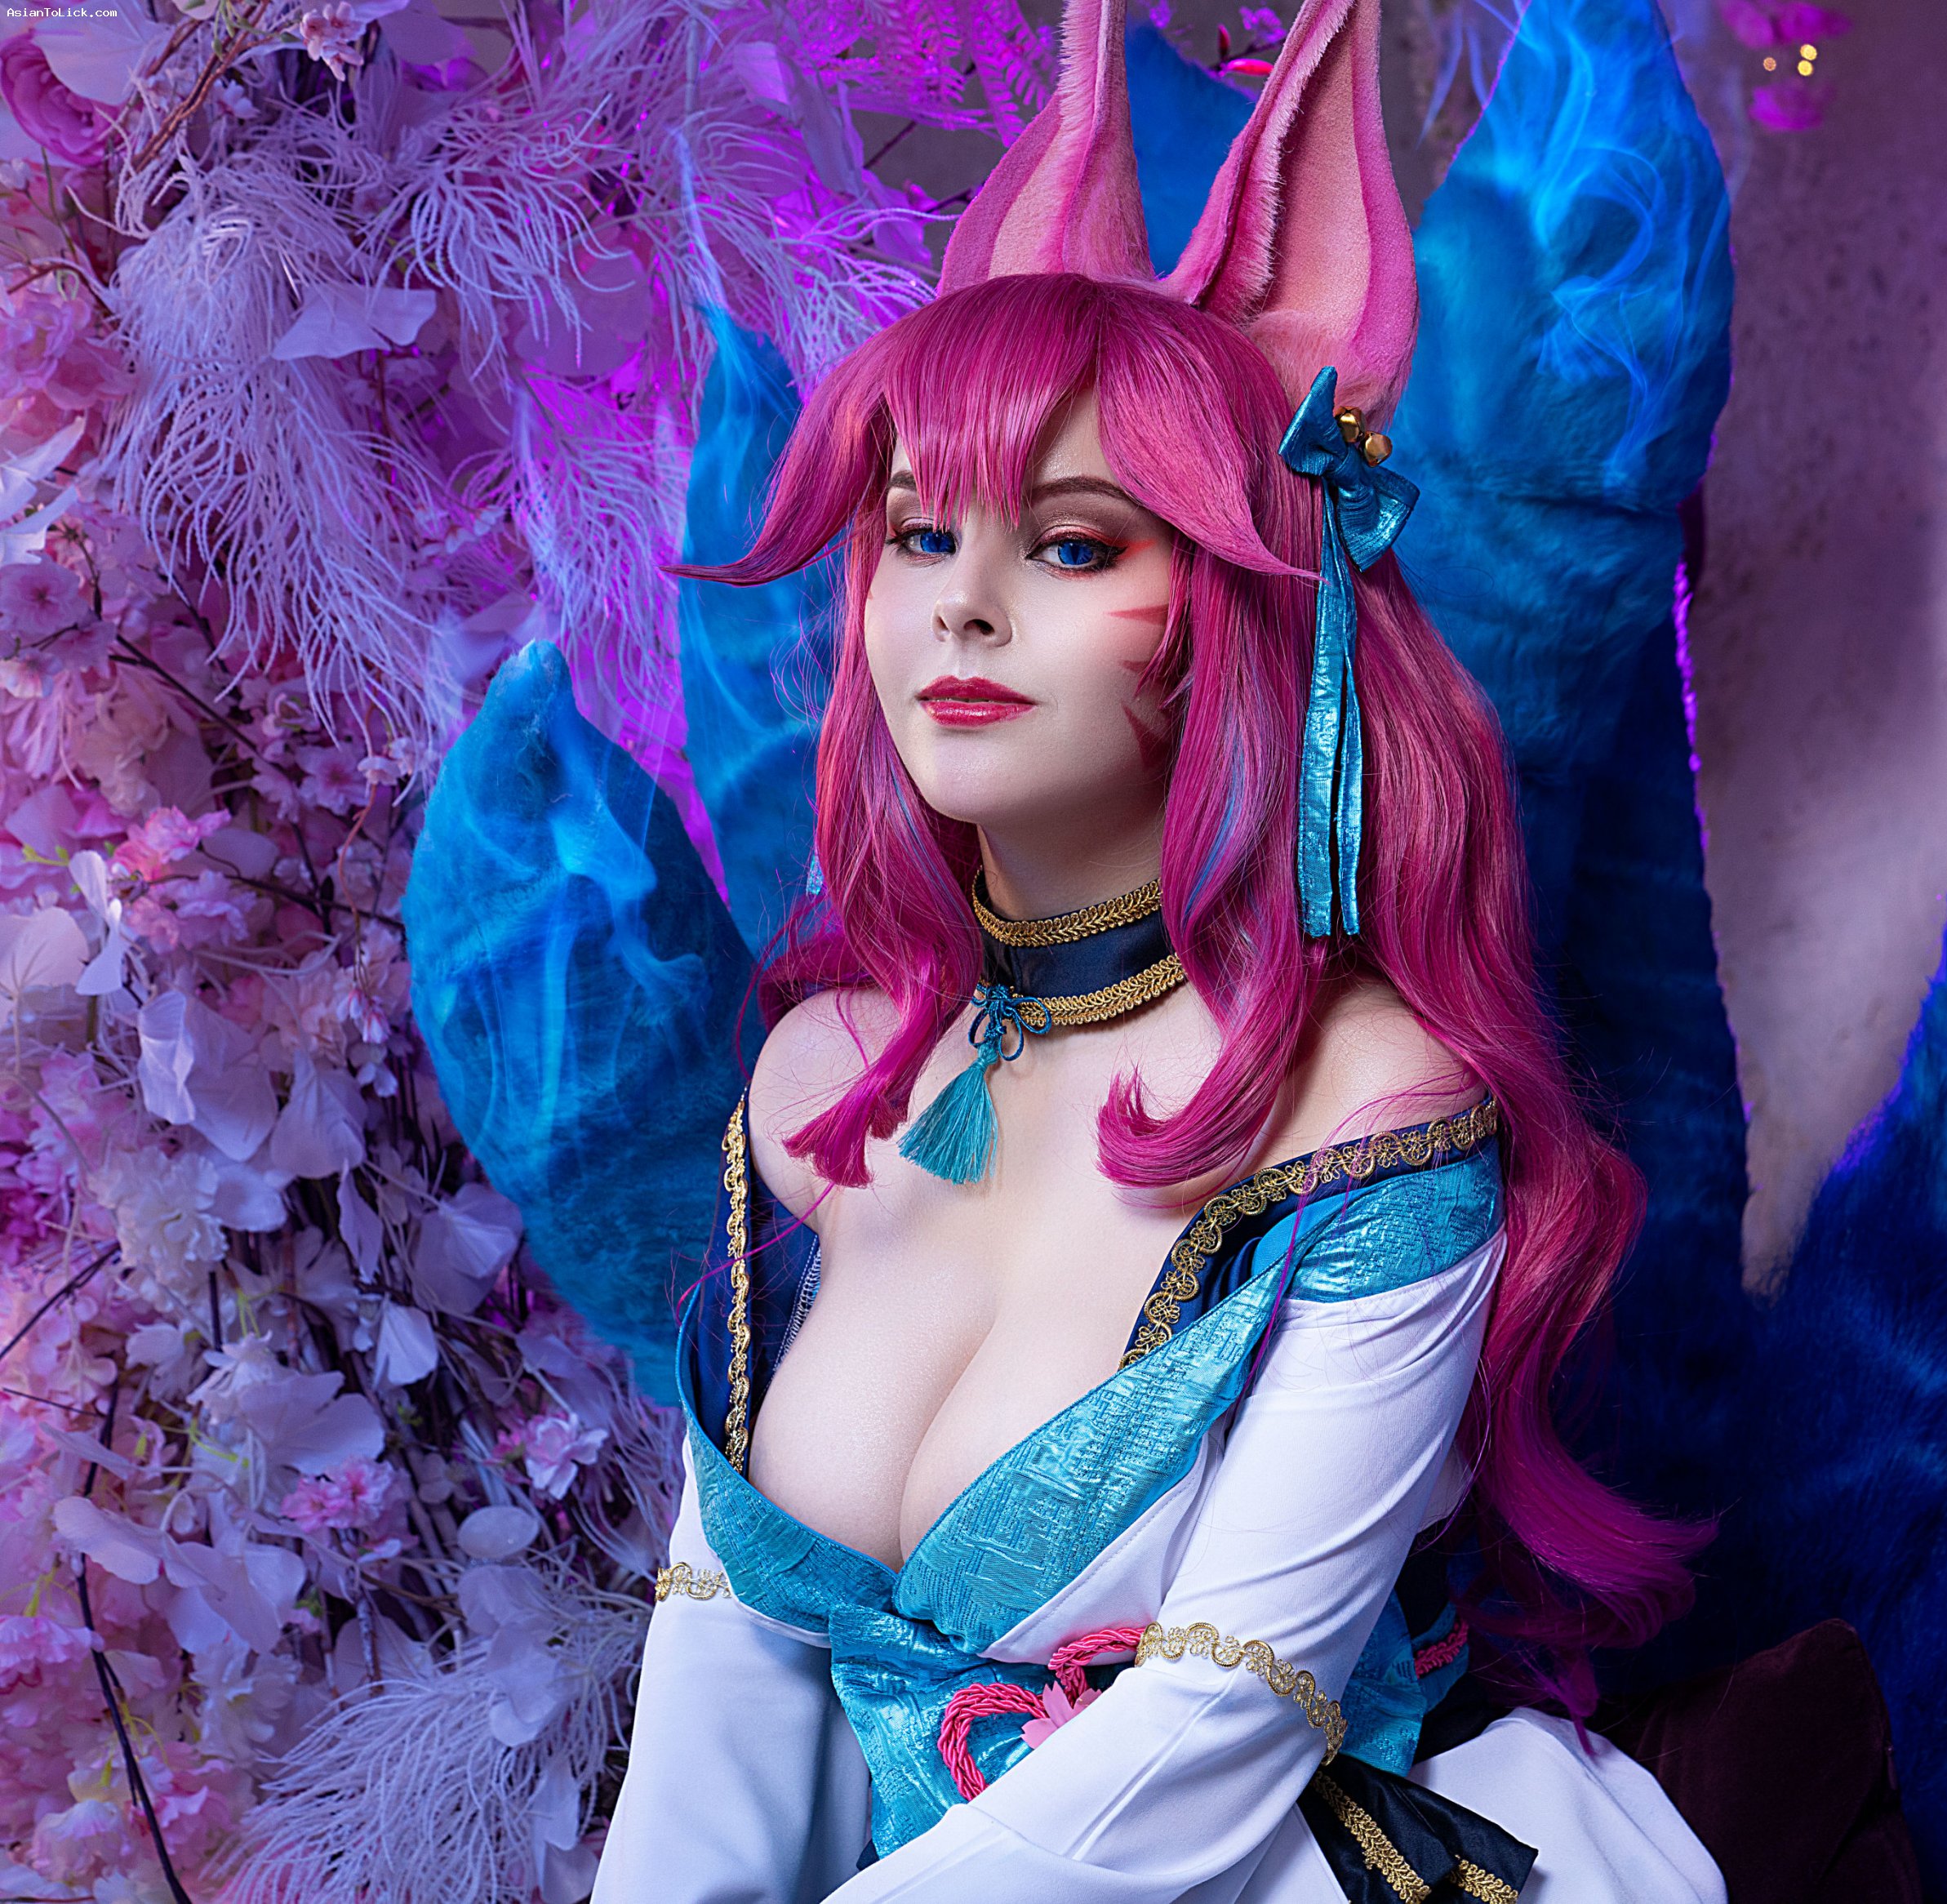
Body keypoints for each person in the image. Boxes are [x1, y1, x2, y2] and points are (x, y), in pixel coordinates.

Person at [589, 2, 1736, 1896]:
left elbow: (1215, 1728)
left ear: (1234, 609)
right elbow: (730, 1672)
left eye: (1070, 545)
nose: (960, 607)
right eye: (918, 533)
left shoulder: (1368, 1112)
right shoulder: (822, 1081)